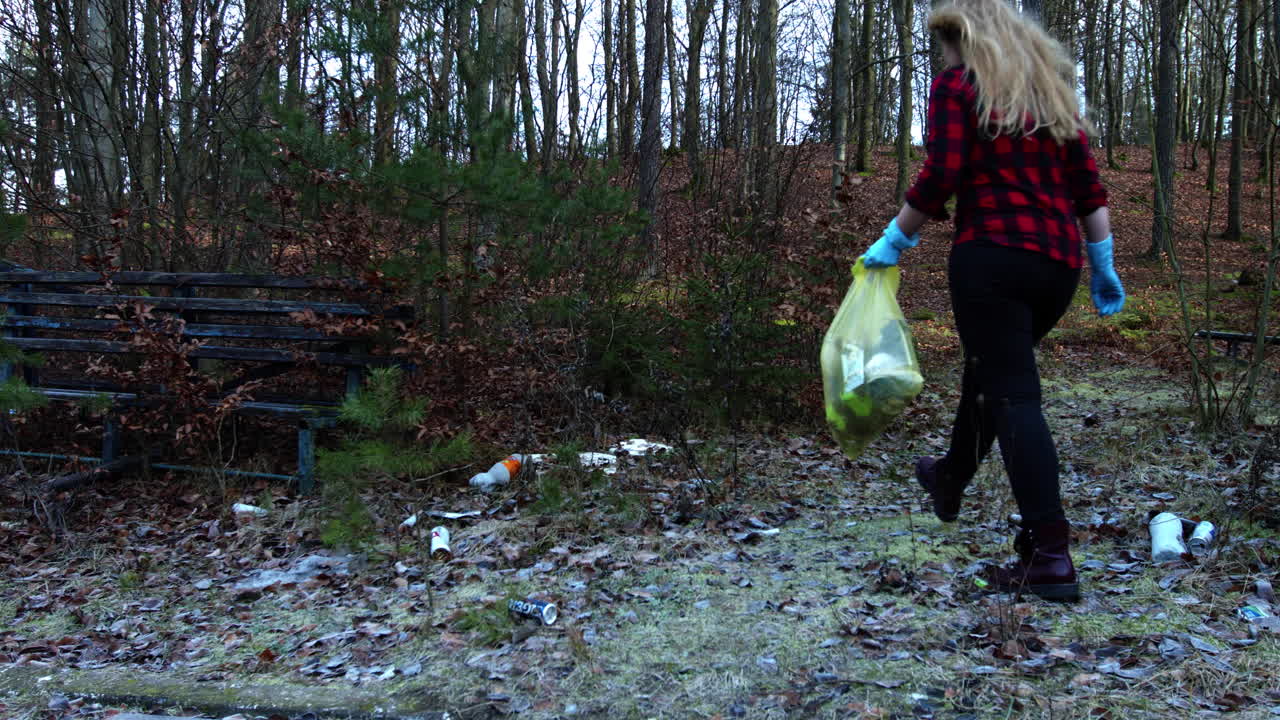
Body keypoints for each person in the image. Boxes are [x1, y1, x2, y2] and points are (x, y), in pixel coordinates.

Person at [859, 0, 1124, 603]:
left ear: (964, 40)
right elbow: (1089, 190)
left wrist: (896, 236)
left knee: (1014, 395)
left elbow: (943, 170)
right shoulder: (1053, 97)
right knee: (995, 377)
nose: (943, 58)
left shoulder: (958, 85)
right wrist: (1102, 265)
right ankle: (950, 477)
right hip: (1057, 267)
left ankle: (1051, 555)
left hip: (992, 259)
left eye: (946, 46)